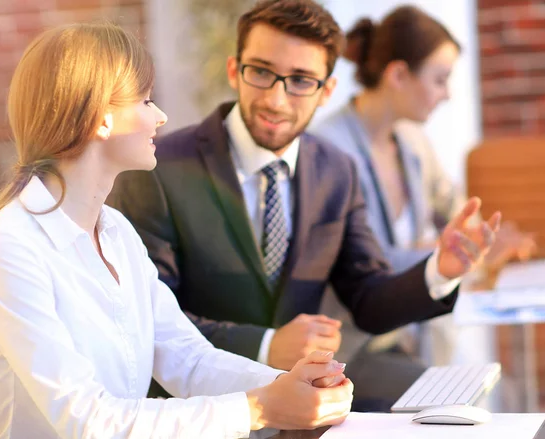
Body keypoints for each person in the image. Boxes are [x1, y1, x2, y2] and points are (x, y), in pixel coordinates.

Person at [108, 0, 500, 412]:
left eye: (300, 80)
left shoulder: (336, 171)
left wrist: (440, 270)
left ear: (326, 91)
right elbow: (147, 319)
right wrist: (265, 344)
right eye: (261, 72)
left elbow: (368, 299)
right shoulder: (159, 167)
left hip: (305, 411)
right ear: (234, 70)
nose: (276, 100)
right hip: (201, 412)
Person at [0, 22, 355, 439]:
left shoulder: (117, 233)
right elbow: (87, 420)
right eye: (145, 101)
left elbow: (188, 358)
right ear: (101, 119)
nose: (160, 116)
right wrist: (258, 409)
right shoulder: (9, 246)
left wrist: (287, 387)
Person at [309, 5, 537, 368]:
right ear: (398, 74)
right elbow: (365, 266)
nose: (447, 94)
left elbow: (456, 209)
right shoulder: (326, 149)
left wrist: (482, 241)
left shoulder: (412, 140)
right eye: (440, 79)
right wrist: (460, 256)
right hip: (352, 346)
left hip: (413, 337)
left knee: (483, 381)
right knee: (468, 392)